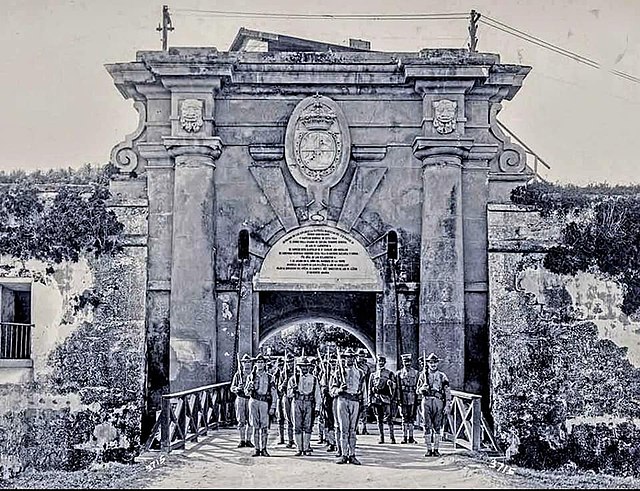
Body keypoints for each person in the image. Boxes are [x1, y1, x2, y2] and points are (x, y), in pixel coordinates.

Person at [330, 347, 367, 465]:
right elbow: (332, 390)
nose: (349, 359)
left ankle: (352, 454)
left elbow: (363, 389)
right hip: (342, 400)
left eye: (351, 357)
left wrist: (365, 403)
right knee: (343, 429)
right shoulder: (338, 373)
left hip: (355, 401)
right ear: (344, 358)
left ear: (354, 358)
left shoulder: (360, 373)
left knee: (352, 430)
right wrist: (339, 389)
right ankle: (343, 454)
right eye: (347, 357)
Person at [416, 352, 452, 457]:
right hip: (426, 401)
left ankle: (436, 449)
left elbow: (447, 391)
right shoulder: (423, 375)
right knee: (427, 425)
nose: (433, 365)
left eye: (435, 363)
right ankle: (428, 449)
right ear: (427, 364)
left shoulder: (442, 376)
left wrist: (447, 404)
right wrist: (422, 389)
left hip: (438, 401)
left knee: (437, 425)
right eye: (431, 363)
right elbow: (417, 390)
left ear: (437, 364)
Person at [244, 353, 278, 457]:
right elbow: (246, 392)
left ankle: (264, 448)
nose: (260, 364)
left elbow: (274, 393)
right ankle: (256, 448)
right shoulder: (251, 376)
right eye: (258, 362)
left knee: (264, 427)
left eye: (262, 362)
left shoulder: (270, 377)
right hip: (254, 401)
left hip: (264, 403)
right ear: (256, 364)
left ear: (264, 364)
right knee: (255, 426)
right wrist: (249, 388)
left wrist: (273, 406)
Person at [287, 356, 322, 456]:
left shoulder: (314, 379)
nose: (304, 368)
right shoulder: (293, 379)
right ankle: (299, 448)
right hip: (297, 402)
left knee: (307, 426)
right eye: (302, 366)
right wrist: (293, 390)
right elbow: (288, 394)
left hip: (308, 403)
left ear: (309, 367)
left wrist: (317, 408)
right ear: (299, 367)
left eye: (306, 366)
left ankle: (306, 448)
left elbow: (317, 394)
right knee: (297, 426)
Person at [368, 354, 397, 444]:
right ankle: (381, 437)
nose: (380, 363)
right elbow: (370, 388)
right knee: (378, 418)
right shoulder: (373, 375)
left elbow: (395, 385)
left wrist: (390, 383)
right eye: (379, 361)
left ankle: (392, 437)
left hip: (386, 398)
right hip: (376, 398)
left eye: (382, 362)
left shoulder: (389, 373)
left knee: (389, 418)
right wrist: (370, 399)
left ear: (385, 363)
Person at [230, 353, 254, 448]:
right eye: (245, 362)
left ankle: (248, 440)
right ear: (242, 364)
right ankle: (242, 440)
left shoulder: (253, 375)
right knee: (241, 420)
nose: (247, 364)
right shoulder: (238, 375)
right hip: (240, 399)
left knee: (250, 421)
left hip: (250, 399)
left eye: (248, 362)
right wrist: (237, 388)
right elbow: (232, 387)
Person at [396, 353, 419, 444]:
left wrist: (418, 398)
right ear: (403, 362)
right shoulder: (399, 373)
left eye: (409, 361)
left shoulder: (416, 373)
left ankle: (411, 437)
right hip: (403, 397)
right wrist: (398, 398)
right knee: (404, 417)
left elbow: (418, 386)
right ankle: (404, 437)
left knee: (412, 418)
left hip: (413, 397)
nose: (407, 363)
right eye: (405, 361)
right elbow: (398, 387)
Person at [277, 353, 296, 448]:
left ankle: (298, 440)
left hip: (295, 397)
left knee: (296, 419)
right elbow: (279, 388)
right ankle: (290, 440)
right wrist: (284, 383)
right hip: (286, 397)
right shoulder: (283, 373)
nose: (289, 364)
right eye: (288, 362)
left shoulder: (298, 372)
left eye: (291, 361)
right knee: (288, 419)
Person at [356, 348, 372, 435]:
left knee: (364, 410)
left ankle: (364, 428)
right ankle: (356, 428)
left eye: (362, 356)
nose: (360, 358)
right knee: (356, 411)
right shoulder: (355, 366)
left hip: (364, 389)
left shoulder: (366, 367)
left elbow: (369, 379)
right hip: (356, 389)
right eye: (359, 356)